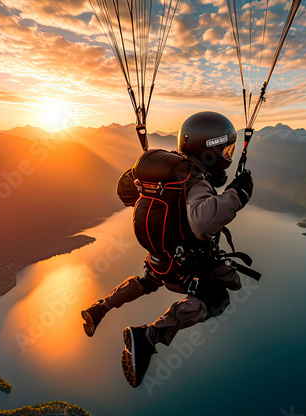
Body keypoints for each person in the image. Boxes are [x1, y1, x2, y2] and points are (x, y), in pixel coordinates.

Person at [81, 111, 257, 388]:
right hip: (185, 265)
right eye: (226, 149)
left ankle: (100, 309)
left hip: (159, 260)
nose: (229, 155)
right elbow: (203, 221)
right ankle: (148, 337)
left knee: (148, 281)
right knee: (216, 300)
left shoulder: (170, 173)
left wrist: (154, 191)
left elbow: (126, 192)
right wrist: (238, 194)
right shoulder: (195, 180)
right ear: (209, 149)